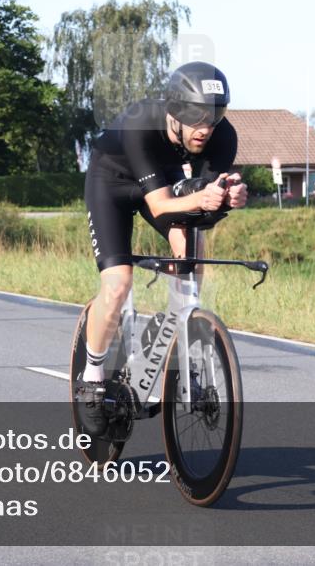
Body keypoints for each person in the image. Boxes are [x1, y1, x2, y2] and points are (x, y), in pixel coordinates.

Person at [76, 61, 248, 435]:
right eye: (197, 118)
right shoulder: (142, 123)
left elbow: (202, 200)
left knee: (190, 253)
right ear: (175, 112)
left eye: (214, 118)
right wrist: (204, 198)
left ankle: (178, 330)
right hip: (112, 183)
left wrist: (227, 199)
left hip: (164, 185)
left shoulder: (222, 136)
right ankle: (91, 379)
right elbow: (159, 206)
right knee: (119, 283)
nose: (205, 128)